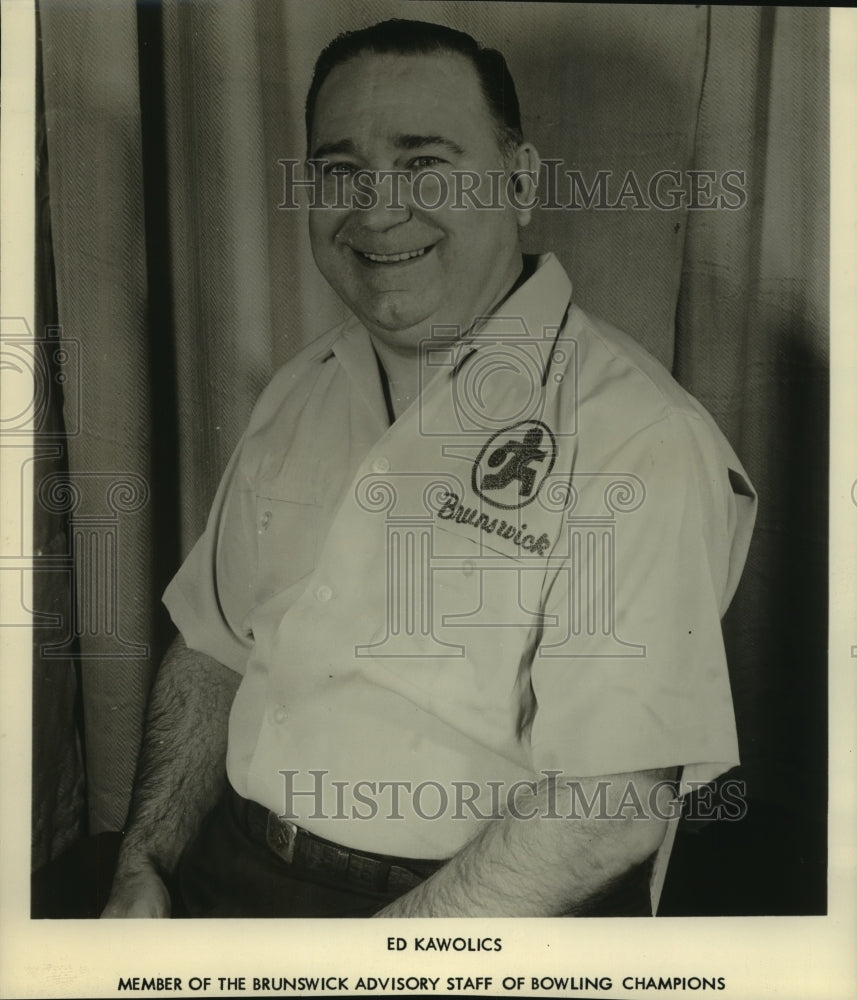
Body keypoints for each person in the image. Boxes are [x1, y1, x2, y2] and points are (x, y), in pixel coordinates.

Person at [102, 18, 756, 919]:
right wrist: (145, 865)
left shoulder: (638, 436)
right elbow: (213, 650)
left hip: (472, 912)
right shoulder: (302, 388)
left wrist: (367, 968)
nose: (376, 209)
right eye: (340, 171)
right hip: (232, 866)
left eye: (424, 164)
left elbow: (611, 807)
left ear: (519, 180)